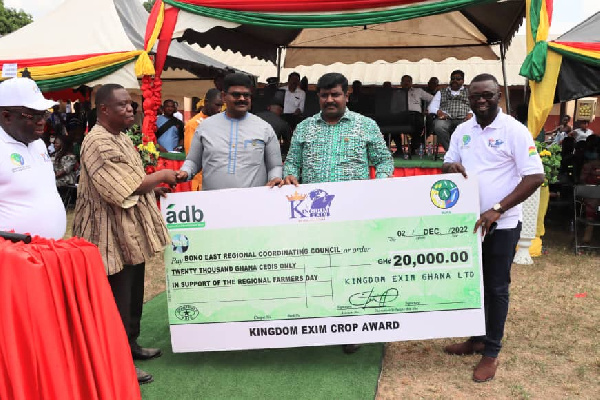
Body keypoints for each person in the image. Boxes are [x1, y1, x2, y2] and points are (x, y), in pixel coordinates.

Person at [73, 83, 179, 385]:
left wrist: (153, 187)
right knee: (116, 299)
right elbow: (121, 188)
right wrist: (159, 176)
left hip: (129, 233)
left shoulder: (118, 137)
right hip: (107, 235)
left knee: (132, 295)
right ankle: (117, 362)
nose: (131, 108)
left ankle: (131, 345)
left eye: (131, 104)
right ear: (103, 109)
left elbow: (132, 181)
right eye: (122, 105)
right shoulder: (97, 142)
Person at [442, 73, 544, 383]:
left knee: (496, 287)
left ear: (498, 95)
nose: (481, 100)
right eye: (475, 96)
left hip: (503, 223)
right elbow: (447, 162)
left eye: (487, 94)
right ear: (468, 99)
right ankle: (476, 339)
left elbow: (534, 176)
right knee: (474, 284)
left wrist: (497, 209)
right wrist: (450, 167)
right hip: (469, 224)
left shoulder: (514, 130)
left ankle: (491, 351)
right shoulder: (462, 130)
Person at [283, 72, 393, 354]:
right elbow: (291, 163)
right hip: (311, 213)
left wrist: (376, 190)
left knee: (351, 269)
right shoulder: (304, 128)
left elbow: (384, 161)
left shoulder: (365, 125)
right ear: (317, 96)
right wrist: (291, 176)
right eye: (324, 95)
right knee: (315, 267)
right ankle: (315, 323)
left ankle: (351, 327)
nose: (329, 100)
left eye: (335, 94)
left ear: (347, 95)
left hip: (353, 213)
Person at [176, 73, 283, 190]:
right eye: (236, 95)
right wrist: (185, 172)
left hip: (252, 203)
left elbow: (275, 166)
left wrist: (274, 179)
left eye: (246, 95)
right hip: (213, 203)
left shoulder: (264, 128)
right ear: (223, 97)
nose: (242, 99)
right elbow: (193, 161)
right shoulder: (205, 127)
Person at [0, 77, 65, 240]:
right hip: (14, 257)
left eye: (44, 114)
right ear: (7, 116)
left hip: (49, 252)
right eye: (34, 116)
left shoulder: (37, 143)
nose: (42, 121)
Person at [183, 89, 224, 191]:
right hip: (202, 182)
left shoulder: (220, 122)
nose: (219, 109)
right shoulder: (193, 124)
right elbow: (192, 156)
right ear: (206, 103)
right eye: (217, 105)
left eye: (221, 106)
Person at [429, 70, 473, 151]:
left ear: (463, 81)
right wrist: (439, 112)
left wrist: (470, 113)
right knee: (439, 126)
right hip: (446, 118)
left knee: (471, 126)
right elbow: (431, 107)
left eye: (458, 79)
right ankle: (451, 152)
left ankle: (465, 152)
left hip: (464, 119)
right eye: (453, 78)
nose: (455, 81)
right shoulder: (441, 92)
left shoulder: (469, 92)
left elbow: (475, 105)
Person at [390, 75, 433, 154]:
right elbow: (393, 108)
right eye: (404, 81)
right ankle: (399, 149)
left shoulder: (418, 91)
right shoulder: (397, 93)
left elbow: (433, 99)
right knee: (392, 123)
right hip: (401, 115)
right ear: (401, 83)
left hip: (416, 115)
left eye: (408, 81)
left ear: (411, 83)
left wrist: (428, 110)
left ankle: (414, 146)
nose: (406, 83)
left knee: (424, 122)